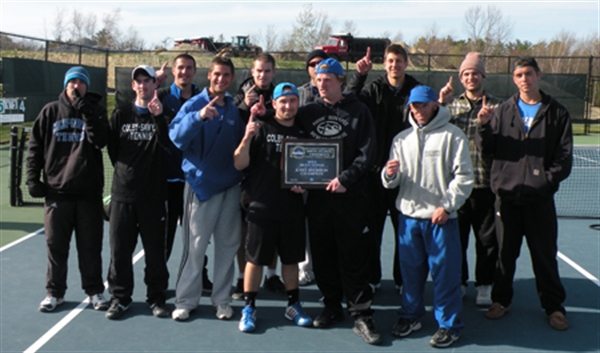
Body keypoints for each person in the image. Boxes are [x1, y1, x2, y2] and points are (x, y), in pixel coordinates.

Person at [476, 56, 573, 331]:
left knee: (544, 256)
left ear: (538, 75)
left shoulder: (557, 113)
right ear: (514, 79)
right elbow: (488, 149)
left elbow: (564, 157)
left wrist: (545, 181)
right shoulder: (503, 110)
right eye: (518, 75)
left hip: (540, 200)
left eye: (528, 74)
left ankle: (554, 307)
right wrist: (483, 126)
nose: (524, 79)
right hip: (506, 199)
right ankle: (500, 301)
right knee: (505, 255)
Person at [382, 85, 473, 348]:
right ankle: (411, 316)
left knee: (446, 275)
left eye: (423, 104)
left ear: (435, 104)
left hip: (441, 219)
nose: (418, 110)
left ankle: (449, 325)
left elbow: (464, 176)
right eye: (414, 105)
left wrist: (447, 206)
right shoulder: (401, 139)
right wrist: (389, 174)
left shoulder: (453, 136)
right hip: (408, 219)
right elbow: (392, 182)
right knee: (410, 275)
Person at [297, 58, 381, 345]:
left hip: (351, 196)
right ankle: (332, 305)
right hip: (319, 198)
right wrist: (295, 177)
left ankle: (361, 313)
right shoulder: (307, 112)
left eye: (328, 79)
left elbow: (367, 153)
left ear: (341, 81)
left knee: (353, 254)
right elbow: (293, 148)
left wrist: (346, 178)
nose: (322, 84)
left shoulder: (359, 111)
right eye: (319, 80)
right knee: (323, 253)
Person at [26, 66, 110, 313]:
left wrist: (89, 115)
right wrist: (32, 179)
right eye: (72, 82)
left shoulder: (96, 110)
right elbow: (34, 149)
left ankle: (95, 291)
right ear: (65, 85)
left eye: (81, 82)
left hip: (88, 194)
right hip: (57, 193)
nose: (76, 86)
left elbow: (102, 140)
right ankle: (54, 292)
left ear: (87, 86)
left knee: (90, 247)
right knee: (56, 246)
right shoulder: (50, 111)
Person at [169, 56, 244, 322]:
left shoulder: (234, 109)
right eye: (217, 75)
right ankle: (186, 301)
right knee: (195, 248)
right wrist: (199, 117)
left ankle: (222, 301)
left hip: (230, 188)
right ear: (208, 76)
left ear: (231, 79)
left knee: (227, 247)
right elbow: (176, 136)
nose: (221, 79)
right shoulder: (195, 104)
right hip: (201, 189)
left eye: (226, 75)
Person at [233, 82, 312, 332]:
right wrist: (246, 138)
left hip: (291, 207)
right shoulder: (261, 128)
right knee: (254, 260)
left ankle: (293, 304)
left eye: (293, 101)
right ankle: (249, 307)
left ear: (298, 103)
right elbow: (238, 163)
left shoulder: (303, 130)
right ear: (274, 103)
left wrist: (305, 183)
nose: (288, 106)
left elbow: (311, 167)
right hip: (261, 206)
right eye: (283, 101)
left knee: (290, 259)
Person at [346, 44, 421, 294]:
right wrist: (359, 76)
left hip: (408, 175)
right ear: (384, 63)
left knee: (406, 232)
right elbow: (348, 100)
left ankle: (403, 280)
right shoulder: (373, 88)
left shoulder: (415, 90)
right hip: (375, 173)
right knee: (372, 231)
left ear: (406, 63)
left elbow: (431, 113)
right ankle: (372, 277)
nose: (394, 65)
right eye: (389, 61)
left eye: (398, 61)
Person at [105, 65, 170, 320]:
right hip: (123, 196)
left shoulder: (162, 114)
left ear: (155, 84)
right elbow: (112, 149)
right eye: (138, 81)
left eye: (148, 81)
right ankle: (120, 298)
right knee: (119, 252)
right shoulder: (120, 114)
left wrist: (158, 117)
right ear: (133, 86)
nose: (143, 85)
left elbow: (168, 146)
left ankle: (157, 298)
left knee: (155, 254)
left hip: (154, 197)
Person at [438, 52, 502, 305]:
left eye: (475, 73)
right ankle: (460, 282)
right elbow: (433, 130)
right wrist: (441, 103)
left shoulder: (498, 106)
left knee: (487, 241)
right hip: (456, 187)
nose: (471, 77)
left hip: (487, 185)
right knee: (457, 240)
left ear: (483, 76)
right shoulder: (450, 107)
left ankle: (484, 285)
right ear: (461, 78)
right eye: (466, 73)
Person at [231, 53, 286, 299]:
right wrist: (245, 106)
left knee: (274, 229)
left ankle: (272, 276)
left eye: (267, 71)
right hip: (247, 177)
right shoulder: (238, 99)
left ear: (273, 72)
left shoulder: (281, 98)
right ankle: (243, 279)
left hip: (275, 175)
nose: (262, 75)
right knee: (245, 231)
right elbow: (233, 127)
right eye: (258, 71)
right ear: (252, 73)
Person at [157, 54, 213, 293]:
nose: (185, 72)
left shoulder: (203, 99)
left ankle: (200, 275)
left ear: (195, 71)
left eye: (189, 68)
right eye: (180, 68)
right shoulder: (162, 96)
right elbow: (140, 103)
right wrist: (156, 84)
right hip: (169, 180)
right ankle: (160, 280)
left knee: (197, 235)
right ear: (174, 71)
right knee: (166, 235)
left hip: (196, 180)